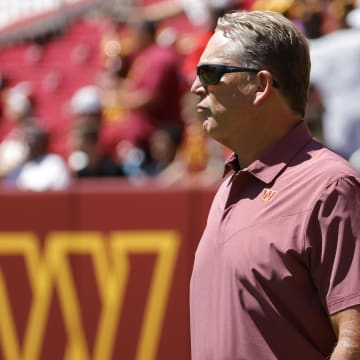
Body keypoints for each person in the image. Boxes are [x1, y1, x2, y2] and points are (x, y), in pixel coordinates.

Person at [189, 10, 360, 360]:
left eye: (210, 73)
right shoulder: (230, 185)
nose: (196, 87)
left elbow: (354, 341)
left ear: (261, 86)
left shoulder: (330, 186)